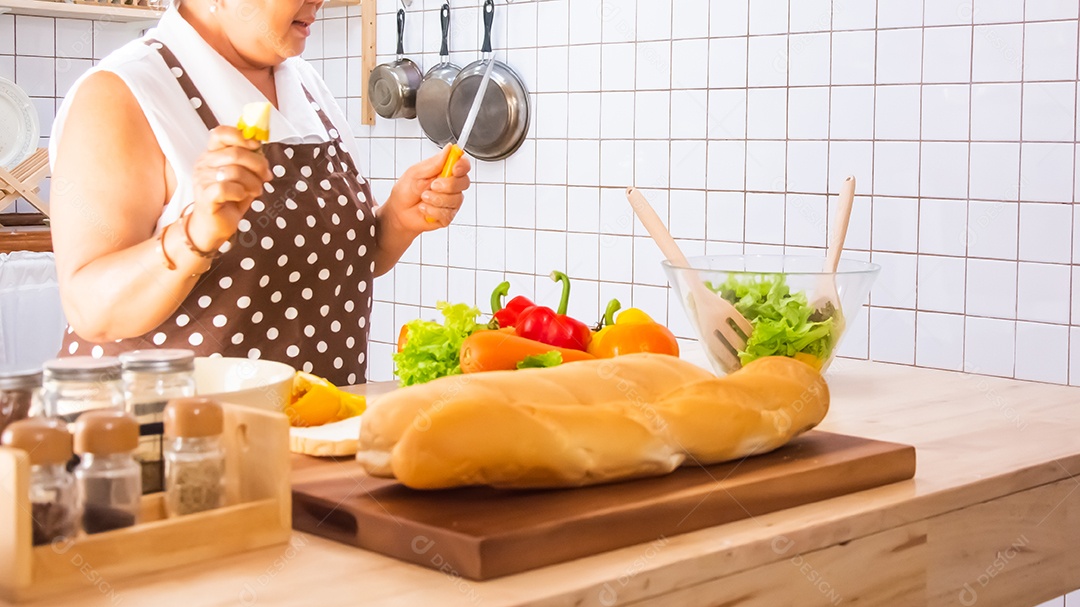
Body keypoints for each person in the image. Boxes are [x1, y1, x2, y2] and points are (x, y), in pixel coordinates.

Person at [48, 0, 470, 385]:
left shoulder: (303, 83)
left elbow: (329, 272)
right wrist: (193, 235)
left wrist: (395, 220)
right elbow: (92, 310)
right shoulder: (123, 92)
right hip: (168, 442)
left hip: (305, 441)